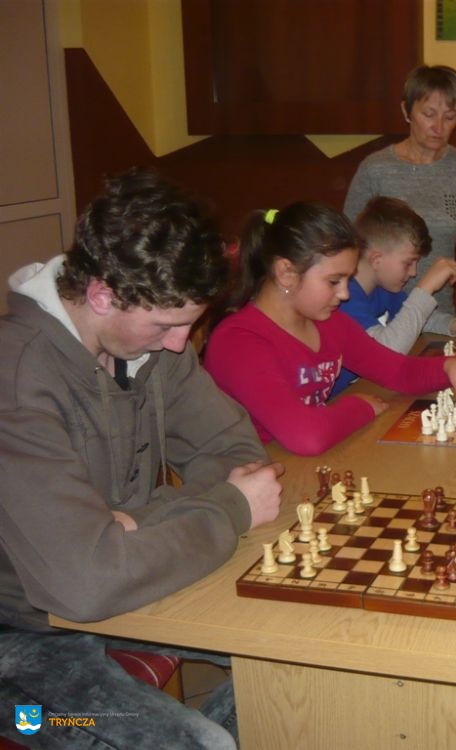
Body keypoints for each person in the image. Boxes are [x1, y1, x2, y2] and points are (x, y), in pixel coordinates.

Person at [0, 168, 284, 750]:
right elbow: (84, 584)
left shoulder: (151, 342)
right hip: (20, 631)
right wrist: (227, 508)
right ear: (102, 295)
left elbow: (238, 455)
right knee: (202, 744)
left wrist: (138, 525)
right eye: (167, 325)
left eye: (190, 324)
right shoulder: (17, 379)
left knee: (297, 659)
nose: (181, 344)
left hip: (124, 586)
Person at [203, 202, 456, 456]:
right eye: (334, 281)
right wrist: (360, 406)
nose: (345, 294)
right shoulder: (239, 341)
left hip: (306, 458)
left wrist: (449, 366)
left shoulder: (330, 322)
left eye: (348, 280)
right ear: (286, 272)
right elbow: (307, 436)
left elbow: (396, 371)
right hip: (248, 472)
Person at [343, 64, 456, 319]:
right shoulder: (377, 169)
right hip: (380, 313)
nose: (438, 127)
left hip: (438, 311)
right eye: (429, 114)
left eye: (449, 117)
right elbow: (347, 241)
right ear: (406, 111)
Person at [334, 196, 456, 395]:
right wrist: (425, 289)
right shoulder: (343, 300)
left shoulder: (383, 289)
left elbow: (419, 319)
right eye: (408, 263)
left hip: (369, 388)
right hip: (339, 398)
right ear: (376, 259)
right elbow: (384, 356)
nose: (414, 272)